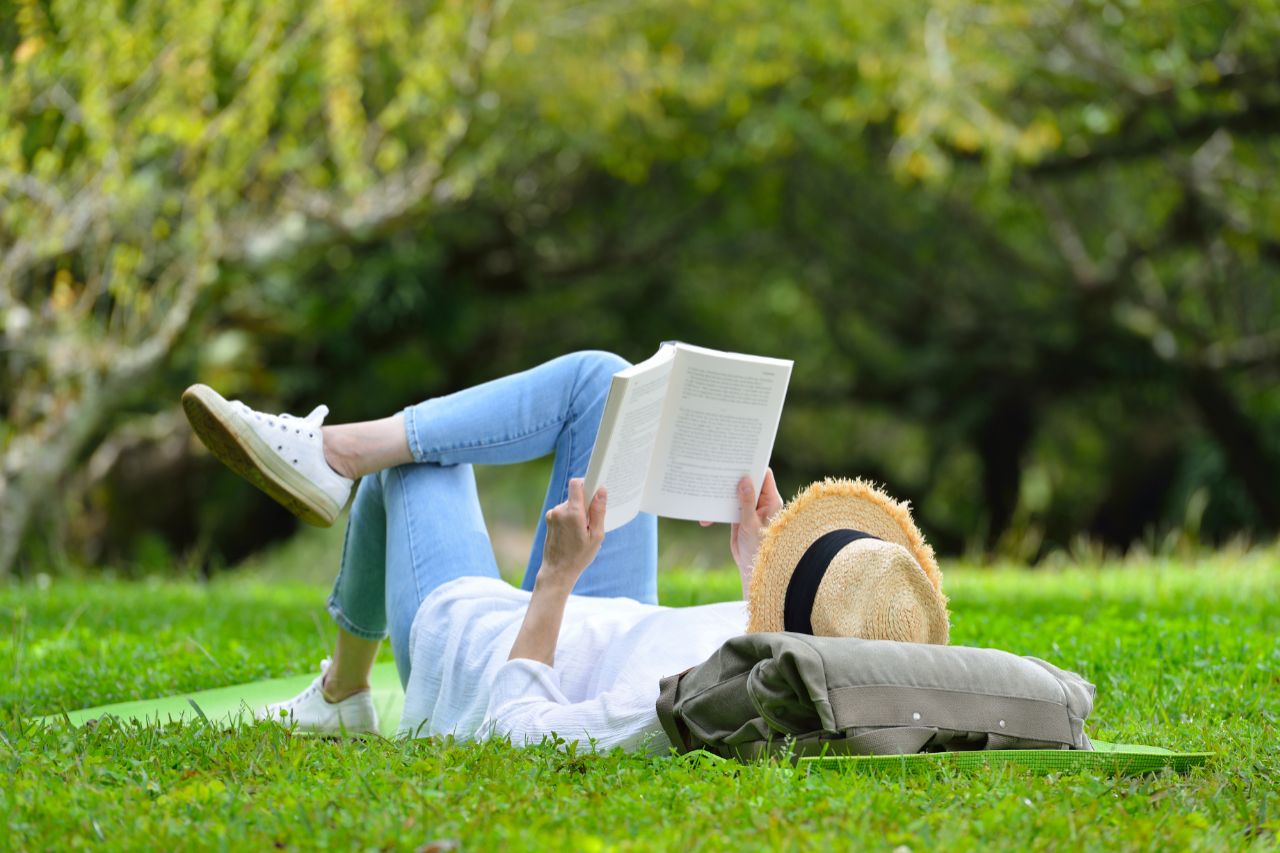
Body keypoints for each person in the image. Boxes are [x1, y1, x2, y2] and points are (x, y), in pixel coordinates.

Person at [183, 350, 948, 751]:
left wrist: (555, 578)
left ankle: (337, 460)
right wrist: (758, 567)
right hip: (613, 616)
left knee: (418, 462)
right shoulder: (827, 665)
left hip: (490, 653)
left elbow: (520, 729)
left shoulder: (689, 705)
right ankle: (336, 469)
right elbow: (770, 654)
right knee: (601, 381)